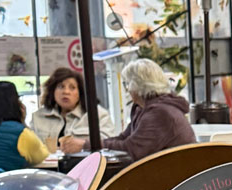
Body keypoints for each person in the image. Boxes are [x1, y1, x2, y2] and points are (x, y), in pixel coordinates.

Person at [59, 58, 195, 161]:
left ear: (137, 85)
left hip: (175, 179)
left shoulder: (160, 113)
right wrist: (89, 144)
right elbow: (124, 138)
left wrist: (85, 145)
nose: (127, 90)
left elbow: (132, 149)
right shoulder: (145, 109)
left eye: (126, 84)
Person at [31, 67, 114, 151]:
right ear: (53, 91)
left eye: (72, 87)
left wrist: (84, 145)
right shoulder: (38, 117)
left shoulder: (97, 115)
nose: (66, 92)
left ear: (80, 93)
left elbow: (109, 144)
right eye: (61, 86)